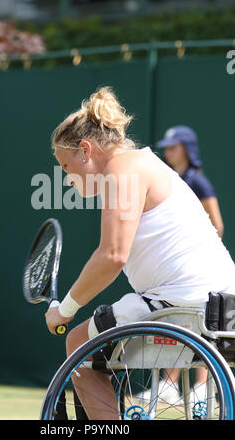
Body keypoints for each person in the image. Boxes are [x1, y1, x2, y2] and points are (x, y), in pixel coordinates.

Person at [45, 87, 235, 420]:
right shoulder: (146, 164)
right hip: (225, 309)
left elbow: (112, 256)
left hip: (186, 309)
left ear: (86, 150)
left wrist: (65, 309)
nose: (67, 179)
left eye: (65, 166)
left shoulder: (123, 170)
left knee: (77, 344)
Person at [136, 126, 225, 404]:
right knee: (176, 326)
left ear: (187, 149)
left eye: (173, 147)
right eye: (167, 147)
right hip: (179, 274)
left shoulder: (198, 182)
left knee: (201, 327)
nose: (168, 152)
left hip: (200, 269)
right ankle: (169, 385)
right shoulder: (171, 179)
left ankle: (201, 386)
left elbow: (217, 224)